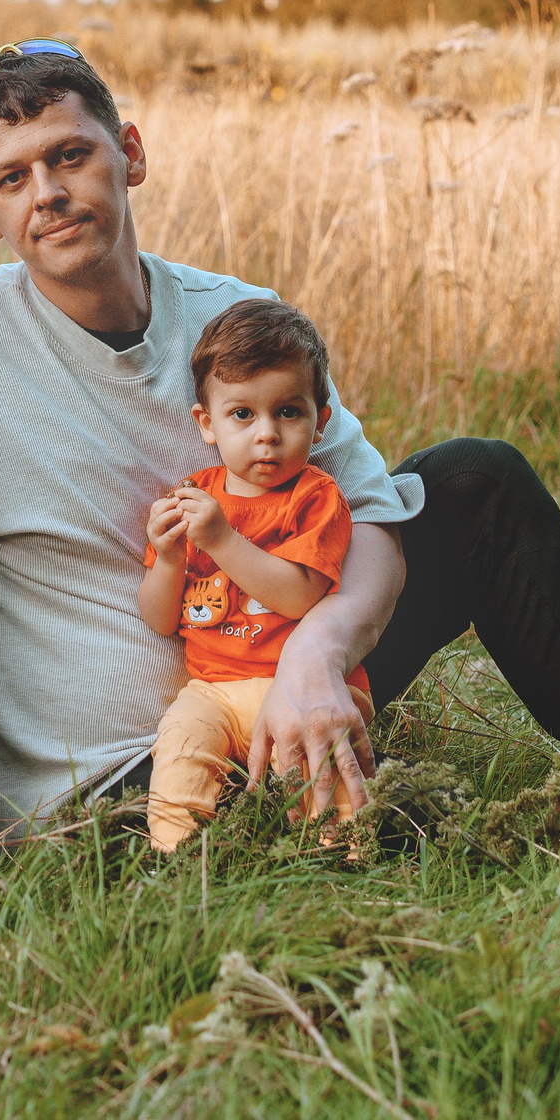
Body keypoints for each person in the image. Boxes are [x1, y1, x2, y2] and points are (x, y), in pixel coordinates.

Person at [0, 41, 560, 834]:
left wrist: (318, 655)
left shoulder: (235, 322)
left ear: (130, 153)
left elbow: (372, 516)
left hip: (271, 700)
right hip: (106, 796)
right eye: (11, 177)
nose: (45, 192)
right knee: (391, 838)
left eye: (70, 156)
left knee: (475, 484)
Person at [138, 299, 369, 852]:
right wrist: (169, 559)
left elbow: (298, 595)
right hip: (213, 689)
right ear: (207, 424)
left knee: (323, 767)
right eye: (242, 414)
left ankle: (342, 852)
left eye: (288, 412)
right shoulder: (194, 497)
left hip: (300, 685)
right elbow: (160, 617)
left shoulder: (317, 498)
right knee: (180, 742)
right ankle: (176, 853)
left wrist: (220, 540)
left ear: (321, 421)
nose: (266, 434)